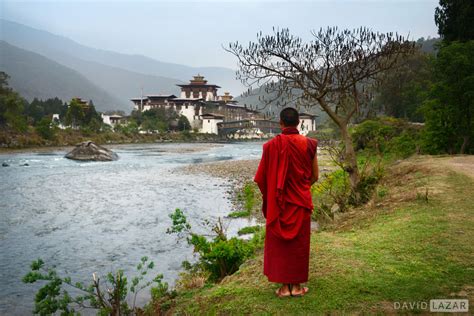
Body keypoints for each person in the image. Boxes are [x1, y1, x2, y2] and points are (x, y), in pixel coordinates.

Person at [254, 107, 318, 298]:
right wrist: (301, 188)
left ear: (280, 123)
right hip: (300, 201)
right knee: (298, 245)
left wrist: (273, 195)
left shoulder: (270, 146)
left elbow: (261, 178)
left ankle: (284, 287)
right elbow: (315, 176)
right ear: (298, 123)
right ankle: (297, 287)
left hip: (279, 204)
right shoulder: (309, 144)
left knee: (282, 245)